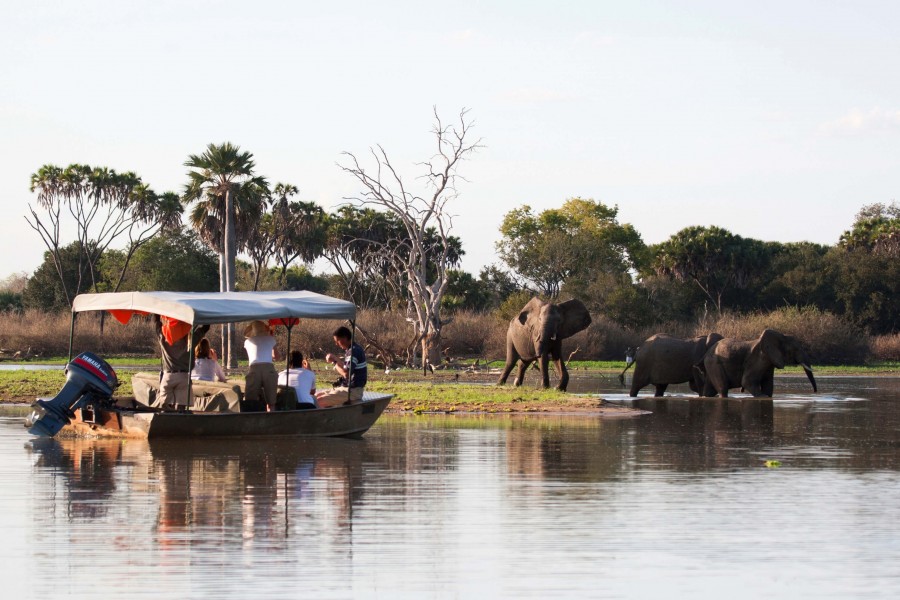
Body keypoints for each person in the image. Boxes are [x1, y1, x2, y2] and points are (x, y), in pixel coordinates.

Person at [155, 315, 209, 411]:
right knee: (182, 408)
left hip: (168, 376)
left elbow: (157, 325)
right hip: (183, 377)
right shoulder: (190, 340)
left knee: (165, 407)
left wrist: (157, 314)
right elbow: (206, 328)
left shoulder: (163, 338)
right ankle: (180, 415)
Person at [315, 325, 367, 408]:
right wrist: (335, 359)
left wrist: (334, 362)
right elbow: (346, 367)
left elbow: (346, 374)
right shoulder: (352, 349)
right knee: (316, 396)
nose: (336, 344)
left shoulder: (353, 351)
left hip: (353, 390)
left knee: (318, 401)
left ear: (344, 338)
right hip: (347, 388)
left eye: (337, 341)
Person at [243, 320, 280, 412]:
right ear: (264, 329)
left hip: (254, 368)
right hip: (268, 368)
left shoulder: (247, 342)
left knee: (250, 401)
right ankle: (271, 416)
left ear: (252, 331)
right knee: (271, 402)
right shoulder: (271, 339)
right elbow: (276, 357)